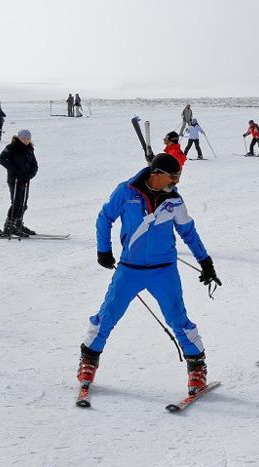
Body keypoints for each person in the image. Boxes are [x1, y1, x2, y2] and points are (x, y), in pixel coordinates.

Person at [77, 153, 221, 397]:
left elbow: (189, 232)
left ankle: (197, 367)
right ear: (156, 174)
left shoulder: (174, 200)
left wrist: (205, 262)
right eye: (172, 176)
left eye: (179, 176)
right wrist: (103, 249)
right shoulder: (126, 191)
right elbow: (105, 218)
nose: (176, 181)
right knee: (107, 316)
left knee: (178, 320)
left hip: (163, 271)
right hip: (129, 269)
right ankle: (89, 361)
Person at [0, 129, 39, 236]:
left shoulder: (30, 149)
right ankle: (9, 226)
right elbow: (1, 159)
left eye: (28, 139)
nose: (27, 140)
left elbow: (35, 165)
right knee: (16, 203)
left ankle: (18, 223)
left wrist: (30, 175)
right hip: (14, 180)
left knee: (23, 204)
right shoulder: (12, 147)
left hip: (25, 180)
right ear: (20, 138)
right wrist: (14, 170)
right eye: (25, 138)